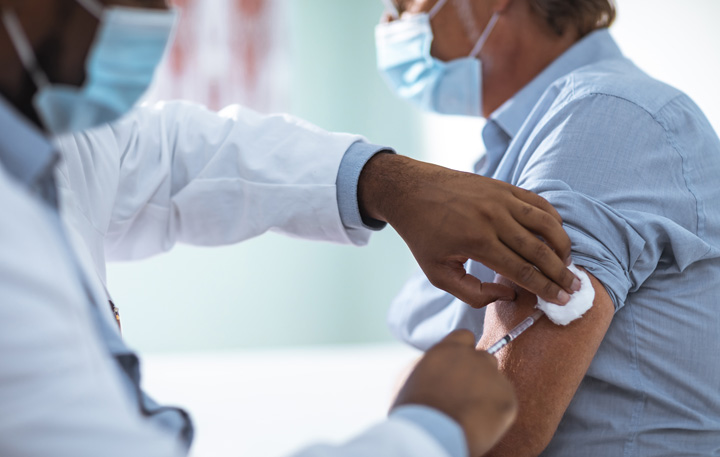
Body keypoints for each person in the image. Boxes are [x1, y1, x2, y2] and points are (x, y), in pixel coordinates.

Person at [0, 0, 580, 456]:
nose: (159, 18)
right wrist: (426, 435)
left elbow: (172, 155)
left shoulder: (42, 139)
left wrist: (381, 181)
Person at [384, 0, 720, 456]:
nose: (389, 24)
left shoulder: (603, 117)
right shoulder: (511, 150)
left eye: (404, 5)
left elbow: (499, 427)